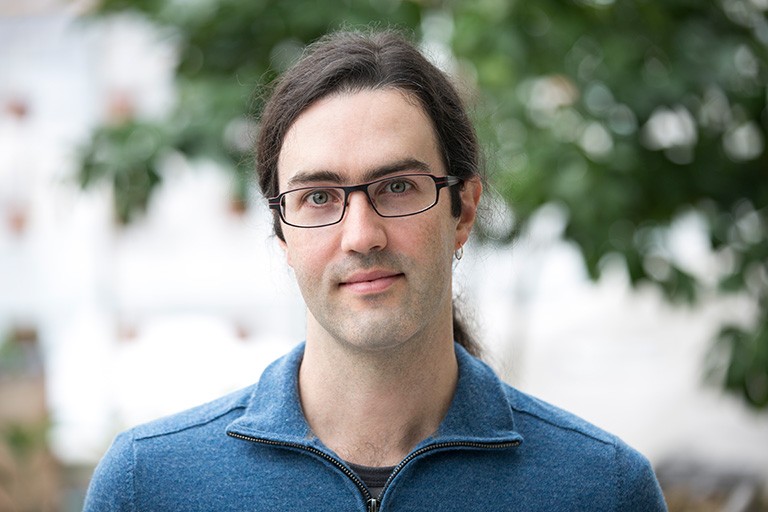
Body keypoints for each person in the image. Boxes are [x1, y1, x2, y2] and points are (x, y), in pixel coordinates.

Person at [84, 29, 667, 511]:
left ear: (463, 210)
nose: (361, 236)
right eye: (318, 197)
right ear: (281, 232)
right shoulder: (148, 487)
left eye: (396, 187)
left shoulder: (604, 489)